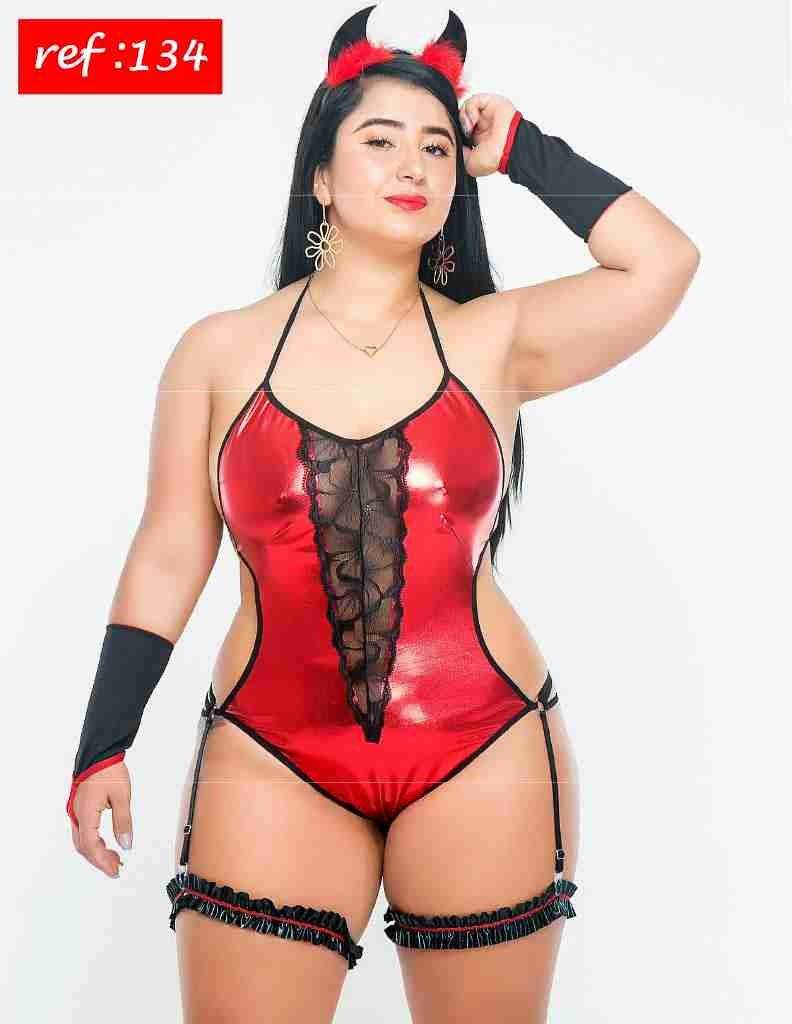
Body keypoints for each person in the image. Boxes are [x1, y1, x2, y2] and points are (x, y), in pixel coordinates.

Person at [66, 5, 700, 1020]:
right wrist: (104, 740)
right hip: (269, 749)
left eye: (437, 147)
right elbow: (171, 548)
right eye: (380, 140)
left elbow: (662, 262)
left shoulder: (495, 340)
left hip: (482, 742)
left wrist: (523, 148)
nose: (413, 165)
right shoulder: (217, 350)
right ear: (319, 174)